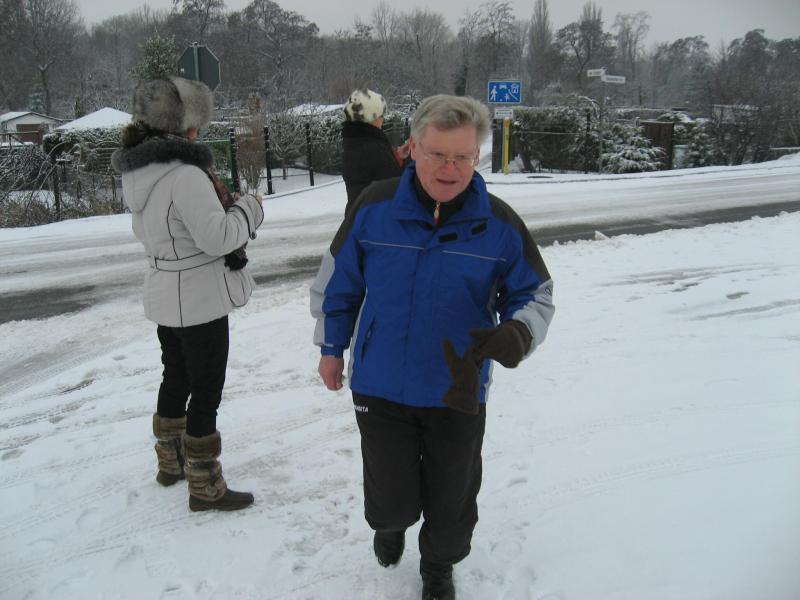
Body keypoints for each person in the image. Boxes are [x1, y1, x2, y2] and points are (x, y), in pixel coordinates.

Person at [310, 95, 555, 599]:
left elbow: (536, 294)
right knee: (389, 497)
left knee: (452, 498)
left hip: (457, 388)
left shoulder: (499, 224)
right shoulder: (374, 207)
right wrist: (331, 346)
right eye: (438, 154)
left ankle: (438, 566)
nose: (450, 168)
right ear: (413, 148)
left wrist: (519, 332)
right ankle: (391, 524)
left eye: (462, 156)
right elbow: (338, 283)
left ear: (476, 156)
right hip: (381, 383)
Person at [111, 76, 264, 512]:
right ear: (185, 125)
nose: (200, 129)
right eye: (197, 120)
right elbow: (217, 238)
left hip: (165, 294)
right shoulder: (186, 176)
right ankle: (205, 484)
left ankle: (170, 463)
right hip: (199, 300)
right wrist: (250, 209)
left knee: (175, 376)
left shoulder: (139, 172)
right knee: (206, 390)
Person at [341, 88, 407, 214]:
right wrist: (410, 160)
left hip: (357, 214)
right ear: (370, 117)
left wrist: (396, 156)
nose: (382, 119)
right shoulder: (373, 147)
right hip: (373, 218)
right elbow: (397, 184)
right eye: (381, 115)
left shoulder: (353, 141)